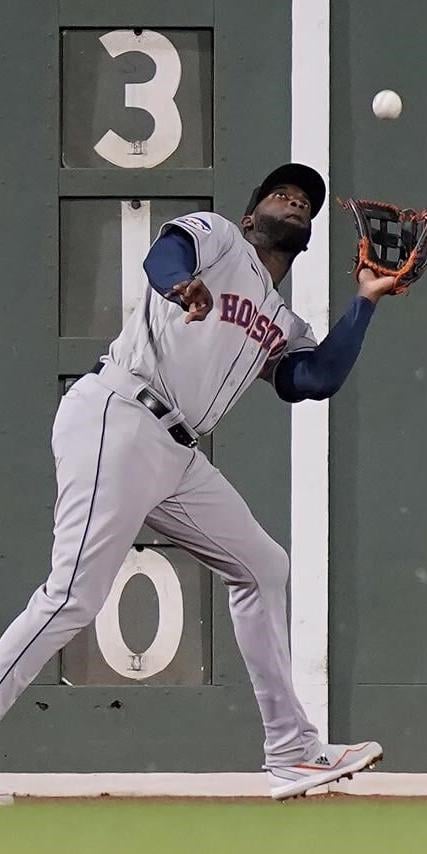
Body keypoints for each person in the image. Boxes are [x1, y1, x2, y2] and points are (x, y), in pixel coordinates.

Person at [0, 163, 391, 800]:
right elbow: (168, 252)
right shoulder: (218, 239)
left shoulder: (281, 321)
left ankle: (291, 753)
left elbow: (312, 379)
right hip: (119, 413)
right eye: (280, 194)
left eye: (303, 203)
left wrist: (367, 299)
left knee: (263, 566)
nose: (293, 201)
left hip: (176, 453)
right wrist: (183, 286)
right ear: (249, 215)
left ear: (310, 235)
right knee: (71, 596)